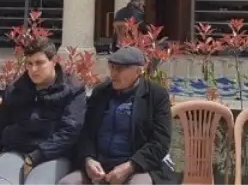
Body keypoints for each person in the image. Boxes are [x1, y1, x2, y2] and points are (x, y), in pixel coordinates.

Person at [0, 38, 86, 185]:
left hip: (53, 157)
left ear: (54, 61)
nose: (33, 70)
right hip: (14, 152)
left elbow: (69, 131)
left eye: (39, 63)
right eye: (29, 64)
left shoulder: (73, 90)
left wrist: (36, 156)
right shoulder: (16, 89)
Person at [58, 47, 173, 185]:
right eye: (112, 68)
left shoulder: (156, 96)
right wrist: (88, 159)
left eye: (119, 69)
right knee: (67, 183)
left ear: (138, 71)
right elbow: (85, 131)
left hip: (136, 167)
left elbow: (160, 142)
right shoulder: (101, 92)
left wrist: (130, 166)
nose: (113, 74)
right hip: (99, 166)